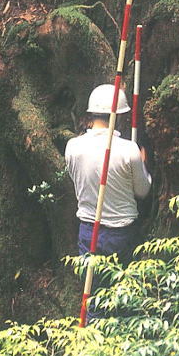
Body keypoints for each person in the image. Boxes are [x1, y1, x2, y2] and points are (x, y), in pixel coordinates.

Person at [65, 84, 152, 320]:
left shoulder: (72, 147)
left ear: (91, 114)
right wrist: (142, 165)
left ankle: (94, 343)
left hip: (88, 230)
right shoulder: (129, 150)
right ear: (120, 117)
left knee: (93, 295)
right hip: (121, 233)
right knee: (121, 295)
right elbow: (142, 192)